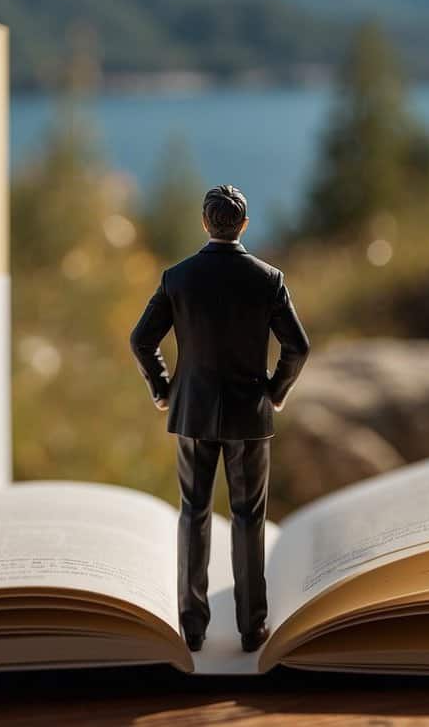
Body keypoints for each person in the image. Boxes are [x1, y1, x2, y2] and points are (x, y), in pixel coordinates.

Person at [129, 184, 310, 653]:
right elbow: (298, 346)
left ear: (204, 222)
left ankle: (193, 626)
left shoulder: (178, 278)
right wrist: (276, 390)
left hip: (192, 412)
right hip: (249, 414)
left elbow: (140, 340)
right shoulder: (268, 278)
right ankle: (252, 628)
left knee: (194, 514)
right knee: (250, 518)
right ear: (244, 225)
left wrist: (162, 388)